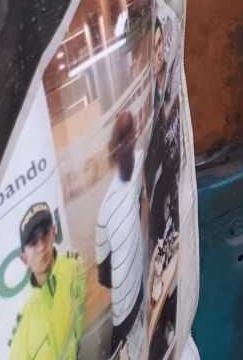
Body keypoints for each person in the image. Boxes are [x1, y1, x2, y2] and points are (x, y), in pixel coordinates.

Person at [143, 17, 181, 359]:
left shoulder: (170, 96)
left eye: (160, 45)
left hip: (171, 215)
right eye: (153, 47)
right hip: (157, 218)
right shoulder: (145, 106)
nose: (158, 52)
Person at [96, 111, 146, 358]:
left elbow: (104, 277)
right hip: (141, 288)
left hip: (123, 307)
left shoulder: (105, 208)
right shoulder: (142, 159)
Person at [8, 202, 86, 360]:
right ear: (24, 259)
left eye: (44, 234)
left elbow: (80, 319)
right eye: (33, 243)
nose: (41, 247)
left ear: (54, 232)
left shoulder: (75, 267)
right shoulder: (23, 324)